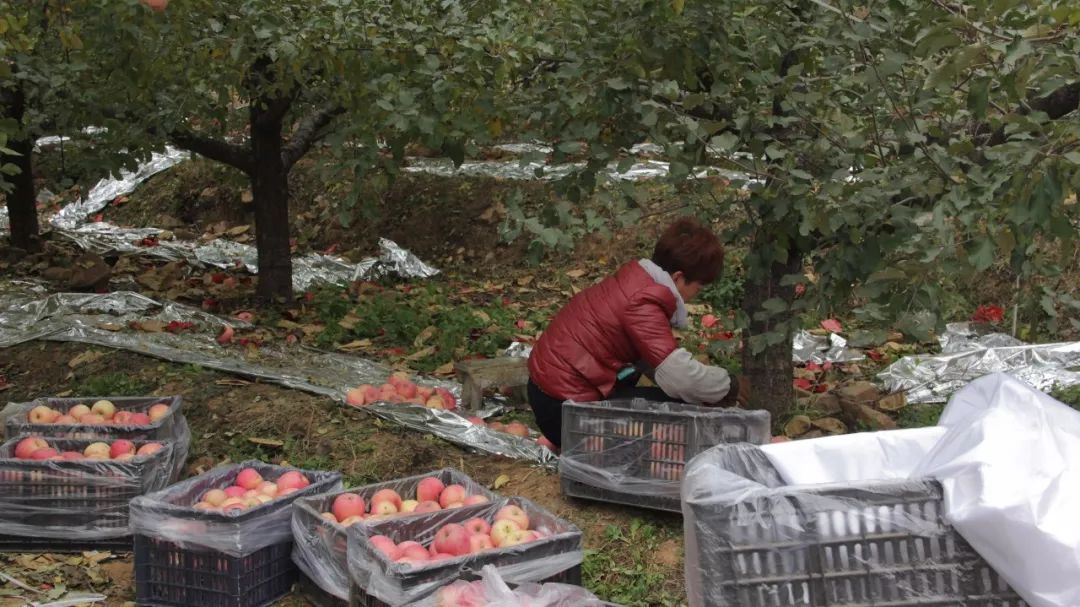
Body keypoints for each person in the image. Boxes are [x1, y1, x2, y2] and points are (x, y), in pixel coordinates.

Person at [527, 216, 750, 448]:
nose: (697, 295)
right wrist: (728, 385)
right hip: (564, 411)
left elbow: (653, 361)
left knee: (668, 396)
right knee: (683, 415)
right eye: (698, 287)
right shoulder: (644, 302)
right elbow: (681, 379)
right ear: (678, 277)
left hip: (552, 392)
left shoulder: (635, 282)